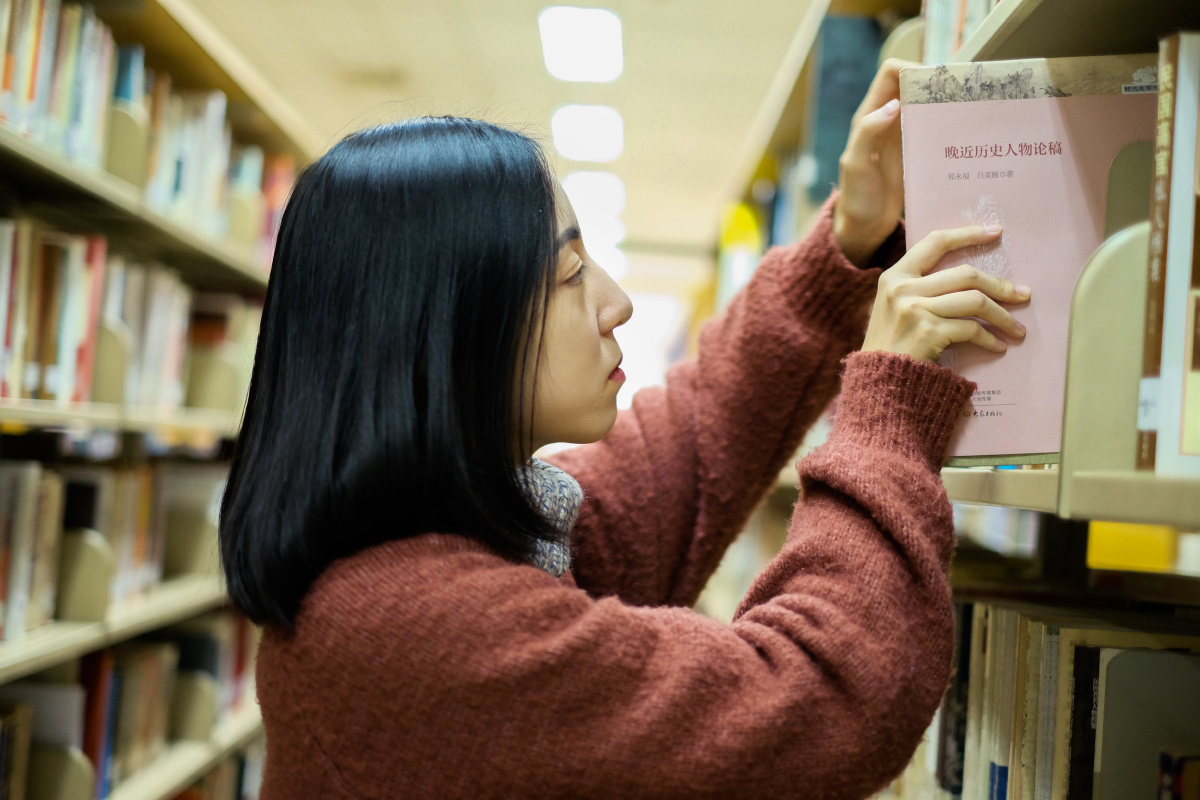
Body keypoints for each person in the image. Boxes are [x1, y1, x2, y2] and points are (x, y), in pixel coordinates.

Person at [220, 60, 1029, 799]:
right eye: (571, 273)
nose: (617, 302)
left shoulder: (454, 545)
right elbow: (822, 700)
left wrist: (846, 250)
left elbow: (687, 452)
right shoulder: (414, 632)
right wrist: (887, 408)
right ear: (447, 330)